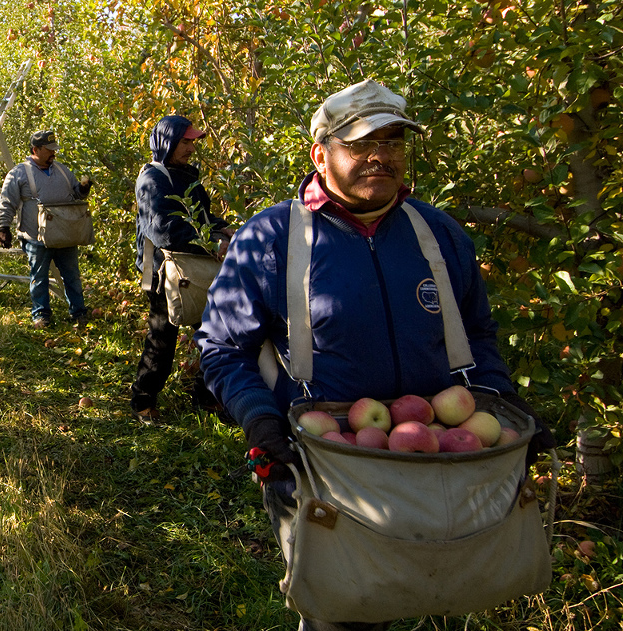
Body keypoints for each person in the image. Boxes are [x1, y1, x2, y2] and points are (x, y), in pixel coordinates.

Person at [195, 80, 556, 630]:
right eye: (360, 144)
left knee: (445, 588)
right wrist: (260, 419)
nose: (379, 157)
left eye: (391, 142)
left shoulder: (437, 234)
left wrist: (502, 402)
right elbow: (222, 346)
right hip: (325, 463)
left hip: (439, 457)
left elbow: (477, 335)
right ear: (320, 154)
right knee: (346, 610)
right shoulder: (272, 237)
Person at [130, 115, 230, 426]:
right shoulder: (152, 180)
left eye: (192, 142)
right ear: (167, 142)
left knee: (215, 332)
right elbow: (164, 230)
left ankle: (205, 396)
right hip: (164, 270)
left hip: (194, 268)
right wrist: (212, 240)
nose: (190, 148)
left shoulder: (187, 176)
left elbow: (202, 217)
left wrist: (225, 230)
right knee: (162, 337)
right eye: (185, 142)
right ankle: (142, 400)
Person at [0, 130, 92, 328]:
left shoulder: (63, 171)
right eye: (48, 150)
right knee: (39, 277)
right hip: (35, 236)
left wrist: (82, 190)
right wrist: (3, 227)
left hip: (65, 234)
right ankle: (41, 315)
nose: (53, 154)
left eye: (54, 150)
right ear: (35, 149)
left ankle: (79, 312)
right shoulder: (19, 173)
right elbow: (7, 202)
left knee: (72, 275)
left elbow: (76, 194)